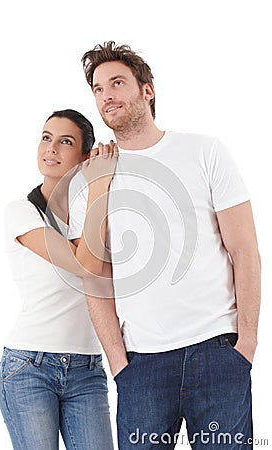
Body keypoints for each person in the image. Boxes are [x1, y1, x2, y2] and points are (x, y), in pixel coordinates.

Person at [68, 42, 261, 449]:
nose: (107, 95)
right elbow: (94, 275)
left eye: (117, 83)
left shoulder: (205, 151)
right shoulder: (92, 178)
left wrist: (246, 344)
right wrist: (119, 363)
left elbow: (244, 250)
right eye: (99, 89)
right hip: (142, 366)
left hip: (218, 353)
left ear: (147, 90)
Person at [0, 109, 118, 450]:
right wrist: (98, 185)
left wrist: (99, 190)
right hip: (29, 366)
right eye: (46, 137)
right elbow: (85, 265)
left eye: (65, 142)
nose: (50, 148)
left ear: (83, 158)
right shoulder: (20, 212)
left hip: (87, 368)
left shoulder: (91, 216)